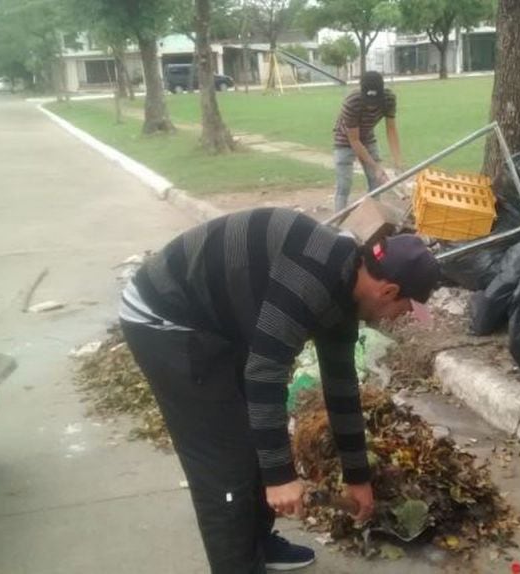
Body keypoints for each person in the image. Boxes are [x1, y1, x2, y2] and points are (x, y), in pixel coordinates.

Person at [118, 208, 439, 573]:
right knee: (225, 466)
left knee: (256, 435)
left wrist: (357, 476)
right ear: (389, 290)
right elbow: (264, 373)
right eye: (406, 308)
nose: (400, 317)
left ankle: (259, 545)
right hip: (166, 319)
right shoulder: (312, 278)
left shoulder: (346, 284)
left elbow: (341, 386)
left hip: (217, 324)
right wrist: (280, 477)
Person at [332, 71, 404, 212]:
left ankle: (374, 219)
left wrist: (398, 162)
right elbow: (354, 140)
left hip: (367, 136)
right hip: (345, 138)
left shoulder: (389, 99)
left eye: (375, 101)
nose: (371, 106)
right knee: (344, 185)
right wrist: (376, 166)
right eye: (368, 101)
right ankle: (336, 224)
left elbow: (391, 130)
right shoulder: (352, 102)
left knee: (375, 181)